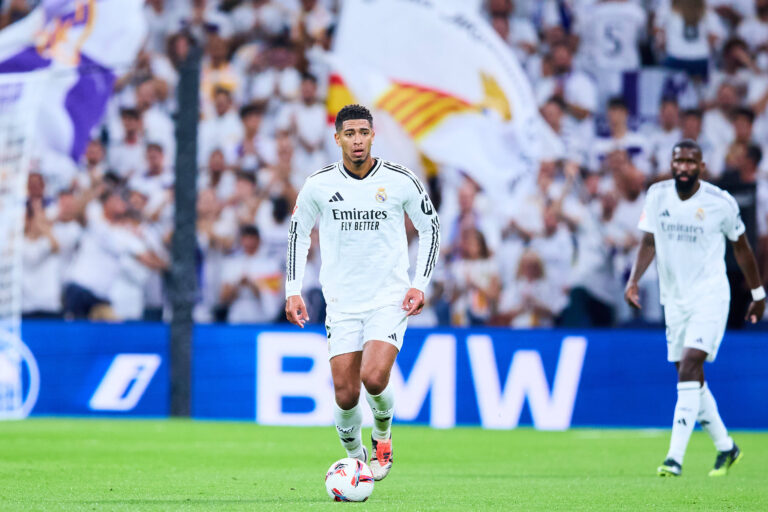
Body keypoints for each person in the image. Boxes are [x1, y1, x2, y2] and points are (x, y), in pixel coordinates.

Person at [285, 104, 440, 481]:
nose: (357, 141)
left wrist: (419, 284)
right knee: (344, 394)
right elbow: (298, 234)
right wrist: (293, 289)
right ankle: (356, 459)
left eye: (363, 133)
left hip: (388, 297)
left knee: (374, 377)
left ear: (373, 136)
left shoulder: (401, 179)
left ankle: (382, 438)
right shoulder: (319, 185)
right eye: (349, 134)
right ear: (336, 138)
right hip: (341, 302)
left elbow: (431, 227)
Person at [624, 139, 765, 477]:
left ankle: (674, 458)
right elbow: (648, 240)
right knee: (690, 378)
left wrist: (758, 293)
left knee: (689, 367)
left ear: (701, 167)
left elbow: (742, 248)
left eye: (690, 162)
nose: (683, 167)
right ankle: (727, 448)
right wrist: (633, 280)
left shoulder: (721, 202)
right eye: (678, 161)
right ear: (672, 164)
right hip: (674, 299)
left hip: (710, 296)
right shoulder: (657, 195)